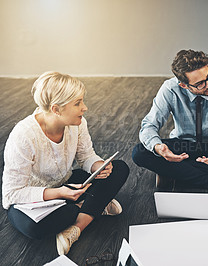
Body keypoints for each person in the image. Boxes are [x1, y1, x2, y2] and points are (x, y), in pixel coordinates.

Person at [2, 72, 129, 255]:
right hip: (32, 199)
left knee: (119, 168)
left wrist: (98, 166)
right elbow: (11, 193)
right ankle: (94, 205)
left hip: (67, 184)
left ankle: (76, 228)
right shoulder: (23, 136)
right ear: (56, 109)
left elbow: (86, 156)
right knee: (34, 228)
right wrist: (59, 193)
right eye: (77, 103)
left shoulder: (78, 123)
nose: (84, 108)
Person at [132, 49, 208, 193]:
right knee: (139, 152)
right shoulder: (170, 89)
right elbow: (149, 125)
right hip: (185, 146)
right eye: (200, 84)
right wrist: (159, 148)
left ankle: (174, 174)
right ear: (184, 85)